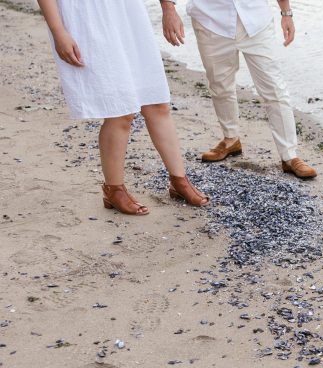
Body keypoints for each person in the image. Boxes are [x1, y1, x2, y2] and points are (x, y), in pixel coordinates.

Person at [37, 0, 209, 216]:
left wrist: (168, 7)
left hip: (130, 15)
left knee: (156, 102)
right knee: (120, 112)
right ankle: (114, 189)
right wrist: (58, 31)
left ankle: (179, 180)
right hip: (88, 20)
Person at [160, 0, 317, 179]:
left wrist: (286, 13)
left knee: (274, 89)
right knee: (219, 85)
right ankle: (230, 139)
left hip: (256, 19)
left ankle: (290, 156)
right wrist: (168, 8)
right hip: (211, 20)